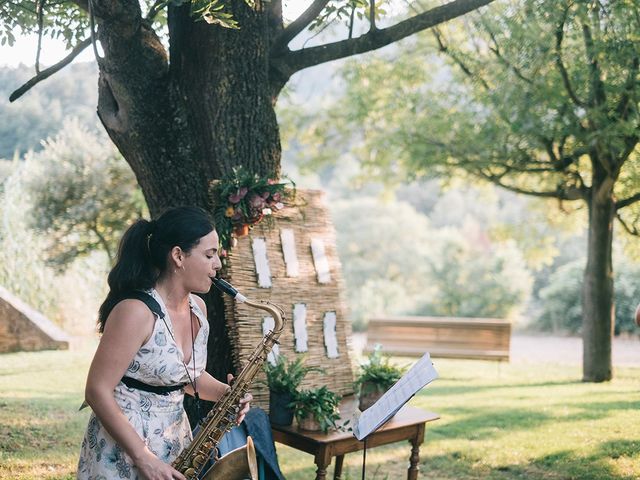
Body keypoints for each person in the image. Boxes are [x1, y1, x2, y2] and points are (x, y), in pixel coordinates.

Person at [77, 206, 251, 480]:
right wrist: (143, 456)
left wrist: (227, 394)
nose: (218, 264)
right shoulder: (135, 311)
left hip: (174, 442)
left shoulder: (198, 309)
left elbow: (184, 376)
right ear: (178, 256)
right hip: (125, 449)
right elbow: (97, 390)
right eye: (210, 254)